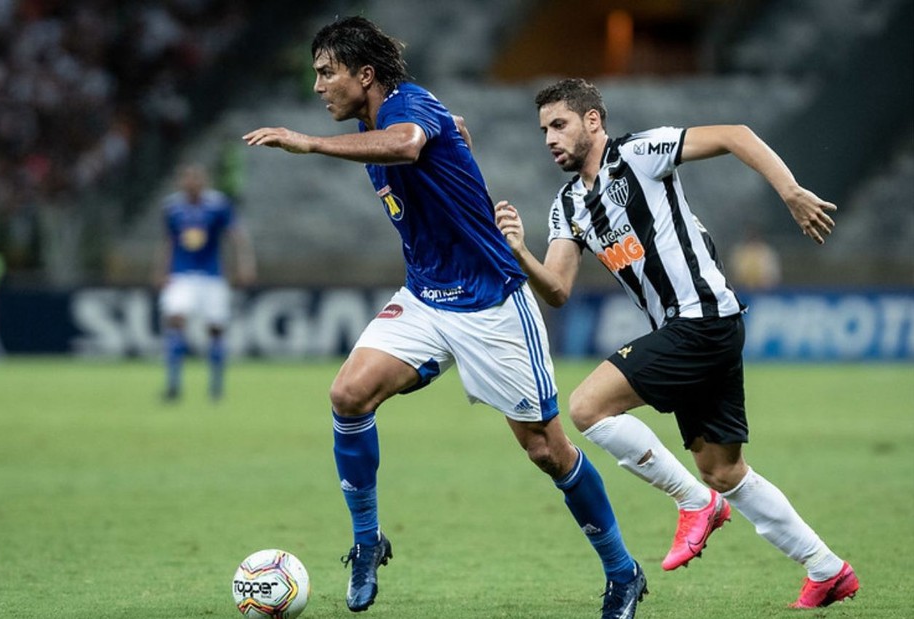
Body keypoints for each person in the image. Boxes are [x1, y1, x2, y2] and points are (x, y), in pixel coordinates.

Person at [243, 17, 646, 618]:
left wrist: (309, 143)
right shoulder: (377, 123)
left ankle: (623, 570)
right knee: (348, 394)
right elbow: (436, 145)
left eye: (328, 72)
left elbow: (408, 143)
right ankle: (365, 541)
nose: (319, 86)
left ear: (367, 75)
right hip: (427, 298)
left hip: (492, 303)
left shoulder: (409, 104)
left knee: (547, 451)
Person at [494, 77, 859, 610]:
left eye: (559, 124)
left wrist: (790, 191)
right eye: (543, 129)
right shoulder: (568, 205)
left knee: (587, 406)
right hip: (696, 329)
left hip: (703, 318)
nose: (549, 138)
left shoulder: (640, 154)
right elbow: (557, 291)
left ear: (592, 121)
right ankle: (826, 568)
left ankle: (694, 503)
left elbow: (735, 134)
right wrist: (520, 252)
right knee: (724, 470)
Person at [154, 163, 256, 402]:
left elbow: (236, 236)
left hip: (212, 276)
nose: (191, 183)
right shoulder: (172, 208)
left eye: (195, 178)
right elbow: (168, 241)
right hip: (181, 275)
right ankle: (173, 386)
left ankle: (216, 388)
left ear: (204, 181)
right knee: (175, 320)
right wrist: (160, 270)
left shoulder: (218, 205)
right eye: (186, 178)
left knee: (216, 330)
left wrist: (245, 264)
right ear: (180, 182)